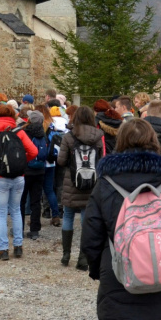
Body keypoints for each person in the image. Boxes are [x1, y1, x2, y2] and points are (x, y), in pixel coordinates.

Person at [81, 119, 161, 320]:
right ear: (154, 141)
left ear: (120, 142)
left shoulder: (106, 183)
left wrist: (98, 269)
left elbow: (91, 236)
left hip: (119, 280)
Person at [0, 104, 38, 261]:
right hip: (18, 175)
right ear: (13, 115)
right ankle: (18, 246)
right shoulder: (18, 130)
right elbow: (34, 152)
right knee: (16, 210)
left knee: (2, 213)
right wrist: (22, 162)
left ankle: (3, 249)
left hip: (1, 176)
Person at [56, 105, 105, 269]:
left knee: (68, 216)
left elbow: (61, 161)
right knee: (86, 220)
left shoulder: (69, 136)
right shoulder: (98, 136)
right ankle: (83, 259)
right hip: (91, 183)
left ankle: (66, 254)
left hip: (72, 182)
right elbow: (102, 159)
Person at [20, 111, 49, 240]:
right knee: (36, 201)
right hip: (40, 170)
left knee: (21, 200)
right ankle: (35, 230)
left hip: (25, 170)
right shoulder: (43, 134)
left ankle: (18, 228)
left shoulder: (24, 132)